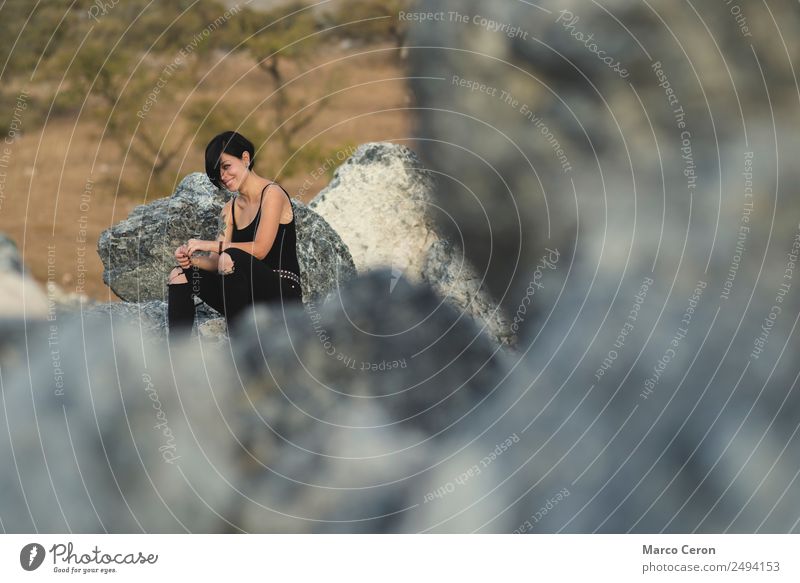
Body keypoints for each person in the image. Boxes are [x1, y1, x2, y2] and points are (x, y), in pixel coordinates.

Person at [166, 131, 302, 336]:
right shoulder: (229, 209)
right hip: (245, 295)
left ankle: (238, 349)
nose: (223, 176)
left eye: (226, 166)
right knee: (178, 275)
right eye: (217, 172)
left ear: (245, 158)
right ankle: (177, 355)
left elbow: (260, 249)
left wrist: (209, 244)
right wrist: (190, 260)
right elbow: (214, 262)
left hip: (282, 295)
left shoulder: (272, 194)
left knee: (230, 258)